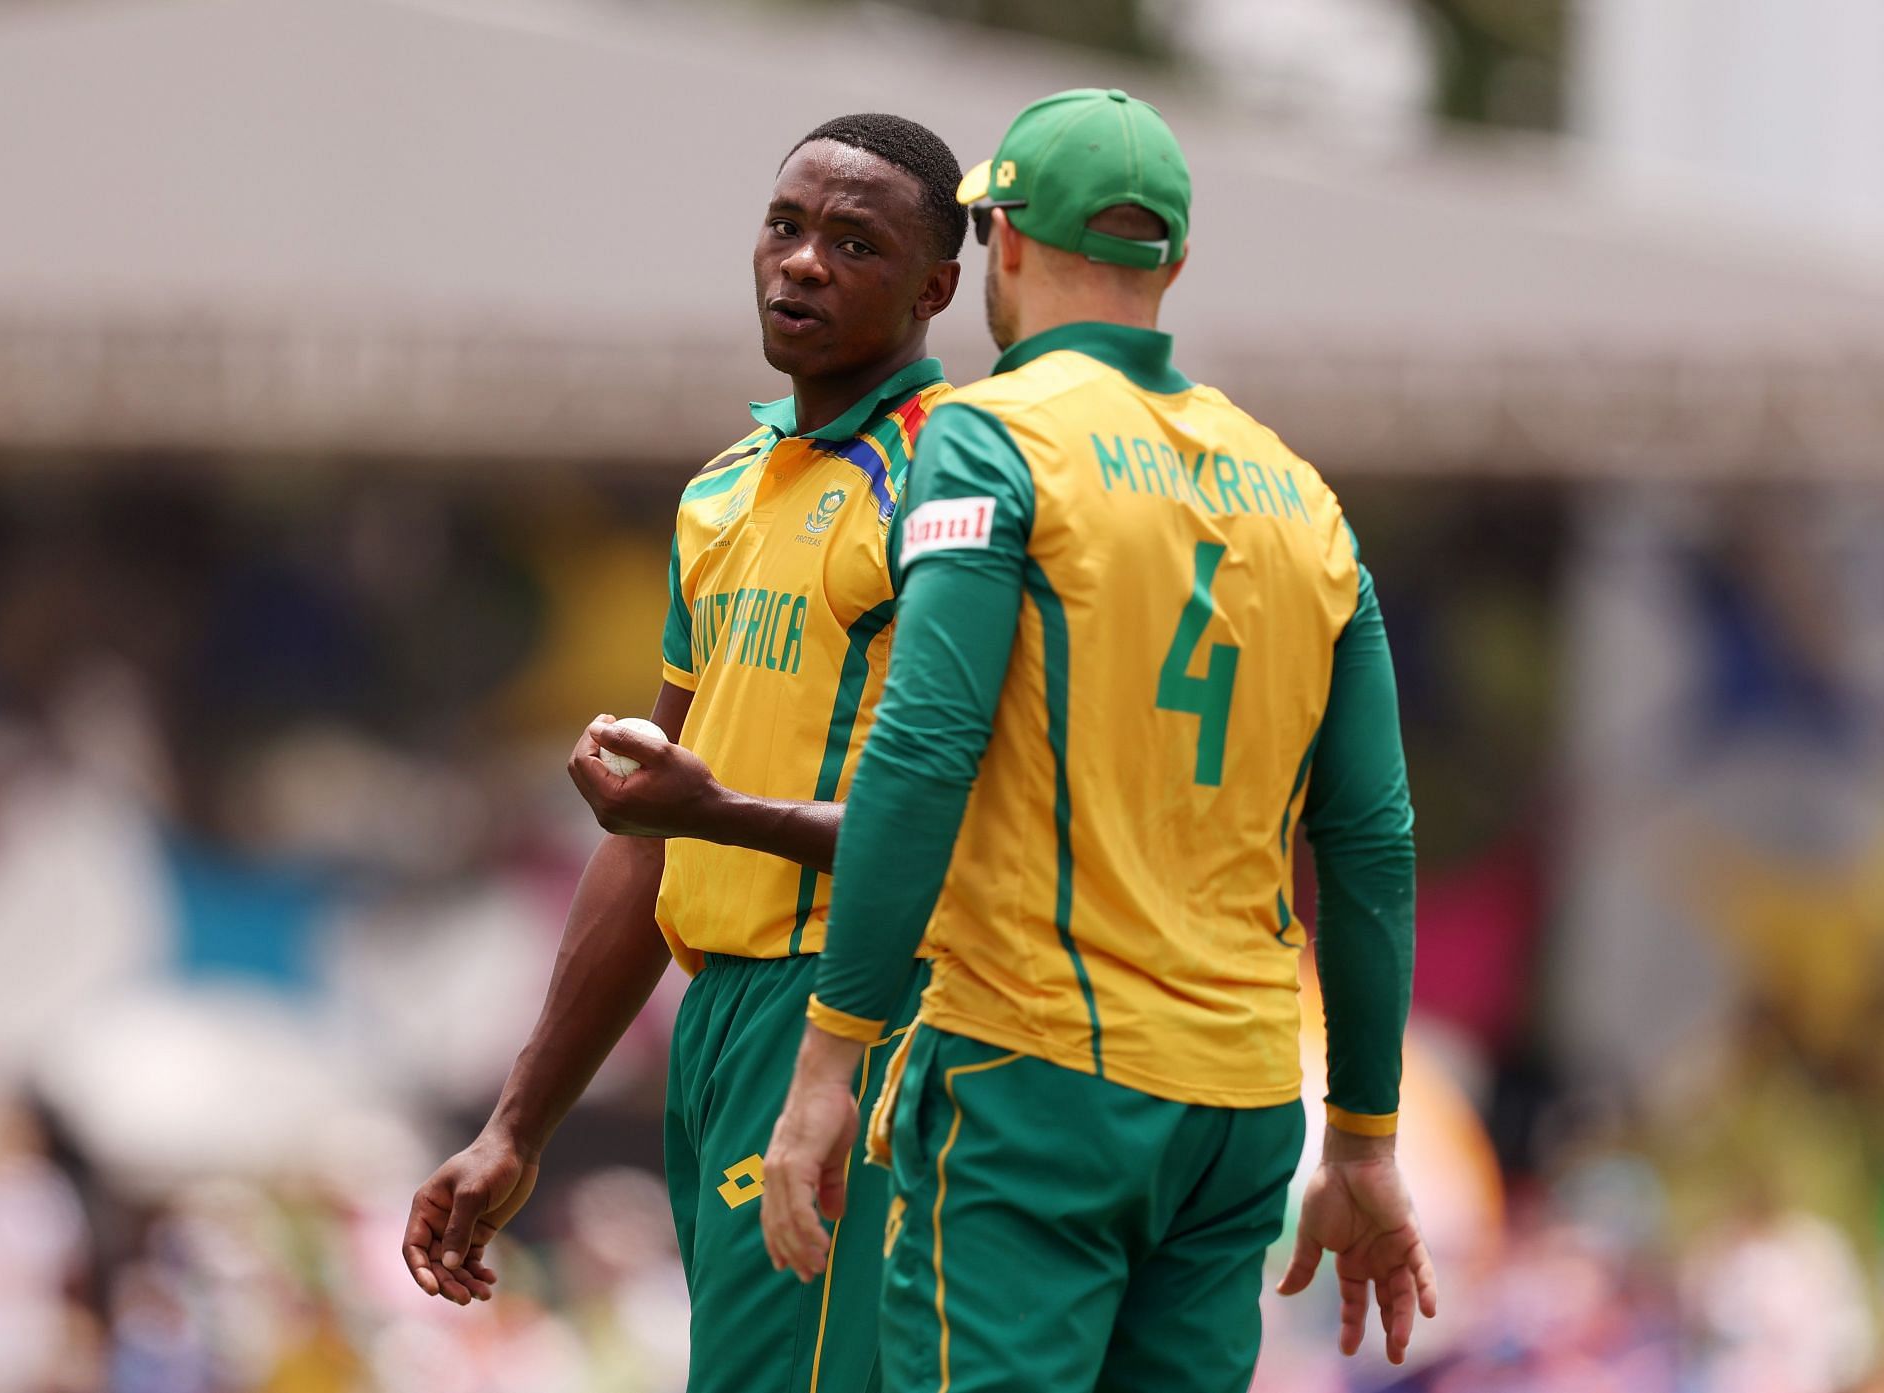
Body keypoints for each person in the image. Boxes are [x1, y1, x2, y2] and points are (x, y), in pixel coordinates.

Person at [761, 89, 1436, 1391]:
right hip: (1238, 1108)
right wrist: (1363, 1139)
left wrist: (830, 1055)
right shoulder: (1303, 498)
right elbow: (1371, 840)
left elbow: (926, 744)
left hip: (1038, 1080)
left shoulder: (991, 435)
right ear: (1171, 262)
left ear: (999, 241)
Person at [403, 113, 966, 1393]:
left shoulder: (947, 478)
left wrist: (715, 811)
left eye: (855, 242)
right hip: (716, 1020)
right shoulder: (722, 490)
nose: (804, 263)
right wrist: (516, 1125)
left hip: (849, 1006)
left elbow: (956, 824)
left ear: (937, 287)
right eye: (786, 227)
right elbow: (647, 827)